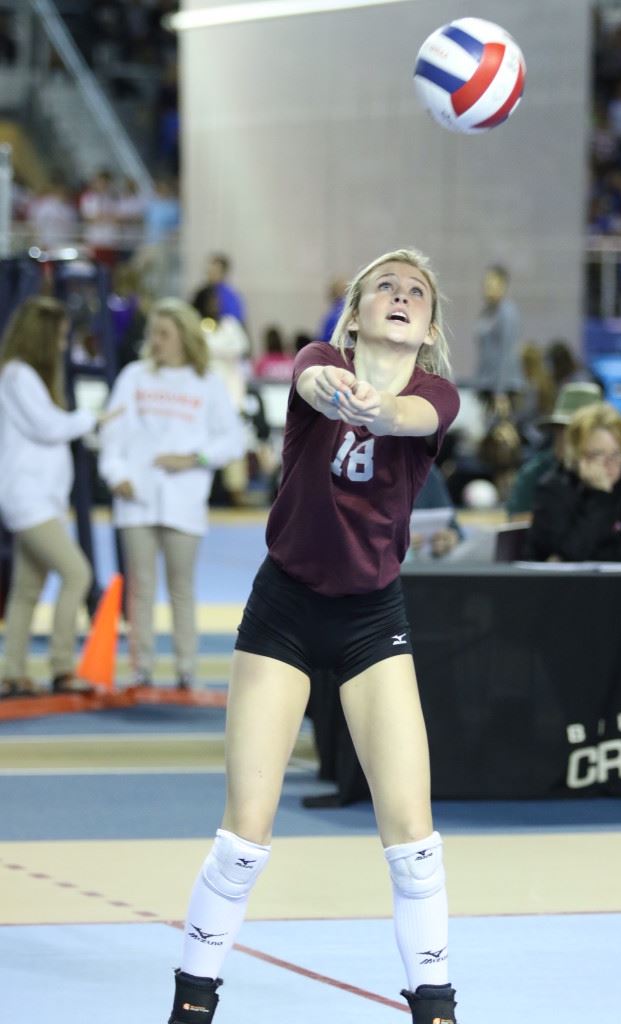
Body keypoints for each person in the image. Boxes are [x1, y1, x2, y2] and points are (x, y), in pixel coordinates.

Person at [166, 248, 460, 1024]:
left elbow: (410, 417)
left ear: (427, 329)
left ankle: (434, 1004)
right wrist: (332, 387)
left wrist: (374, 407)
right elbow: (310, 380)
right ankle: (192, 1000)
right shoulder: (319, 360)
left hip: (371, 619)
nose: (400, 296)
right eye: (385, 288)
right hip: (284, 612)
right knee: (243, 838)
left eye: (416, 293)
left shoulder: (435, 394)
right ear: (358, 312)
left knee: (413, 841)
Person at [98, 298, 245, 690]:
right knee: (140, 589)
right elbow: (111, 433)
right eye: (152, 334)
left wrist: (193, 458)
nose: (155, 341)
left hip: (184, 502)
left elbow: (232, 439)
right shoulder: (134, 377)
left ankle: (186, 669)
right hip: (136, 500)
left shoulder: (207, 383)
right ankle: (141, 668)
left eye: (164, 334)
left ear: (183, 337)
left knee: (182, 588)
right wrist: (116, 474)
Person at [0, 297, 117, 697]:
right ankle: (63, 667)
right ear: (43, 336)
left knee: (26, 590)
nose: (64, 344)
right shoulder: (17, 375)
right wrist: (92, 419)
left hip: (39, 500)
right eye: (62, 336)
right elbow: (46, 427)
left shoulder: (25, 376)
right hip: (28, 500)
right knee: (77, 574)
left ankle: (12, 671)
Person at [527, 401, 621, 562]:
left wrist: (593, 555)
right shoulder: (552, 489)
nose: (608, 465)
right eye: (597, 454)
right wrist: (601, 496)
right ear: (576, 455)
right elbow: (569, 554)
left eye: (616, 455)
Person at [506, 381, 603, 521]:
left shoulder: (614, 474)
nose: (563, 440)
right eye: (560, 430)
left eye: (575, 433)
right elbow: (517, 526)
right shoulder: (535, 474)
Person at [472, 263, 523, 416]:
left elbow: (506, 352)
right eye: (486, 284)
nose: (488, 288)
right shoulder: (486, 312)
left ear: (503, 286)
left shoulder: (507, 313)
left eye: (492, 284)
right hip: (487, 385)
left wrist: (500, 392)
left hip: (503, 389)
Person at [191, 253, 247, 327]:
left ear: (223, 273)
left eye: (216, 270)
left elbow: (234, 322)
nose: (211, 273)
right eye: (210, 269)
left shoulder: (230, 296)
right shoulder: (201, 293)